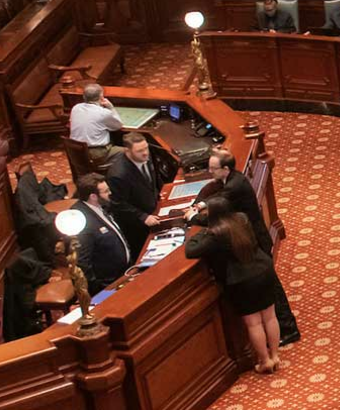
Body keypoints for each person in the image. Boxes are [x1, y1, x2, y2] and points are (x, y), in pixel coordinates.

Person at [186, 195, 285, 374]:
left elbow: (191, 250)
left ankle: (264, 361)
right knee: (270, 316)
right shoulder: (242, 219)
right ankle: (275, 355)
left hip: (243, 280)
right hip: (264, 270)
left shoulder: (215, 234)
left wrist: (201, 231)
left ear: (212, 216)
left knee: (254, 323)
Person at [105, 133, 173, 245]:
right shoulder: (118, 175)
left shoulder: (146, 156)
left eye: (146, 148)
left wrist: (161, 193)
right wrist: (142, 217)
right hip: (137, 224)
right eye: (140, 150)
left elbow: (154, 178)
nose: (145, 153)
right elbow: (118, 204)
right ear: (127, 151)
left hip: (154, 208)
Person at [70, 174, 132, 294]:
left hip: (124, 273)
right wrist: (98, 289)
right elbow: (83, 262)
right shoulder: (82, 222)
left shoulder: (99, 206)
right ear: (93, 196)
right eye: (106, 191)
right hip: (108, 285)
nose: (110, 193)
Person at [69, 83, 124, 164]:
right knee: (129, 153)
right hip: (96, 154)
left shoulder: (75, 108)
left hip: (76, 153)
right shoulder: (103, 113)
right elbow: (118, 125)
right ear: (101, 97)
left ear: (84, 96)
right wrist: (111, 107)